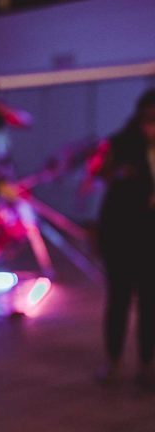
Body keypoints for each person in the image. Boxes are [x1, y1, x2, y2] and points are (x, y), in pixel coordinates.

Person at [92, 89, 155, 388]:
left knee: (150, 302)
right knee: (119, 299)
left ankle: (147, 363)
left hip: (150, 238)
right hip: (123, 236)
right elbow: (103, 180)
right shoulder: (121, 144)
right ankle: (114, 360)